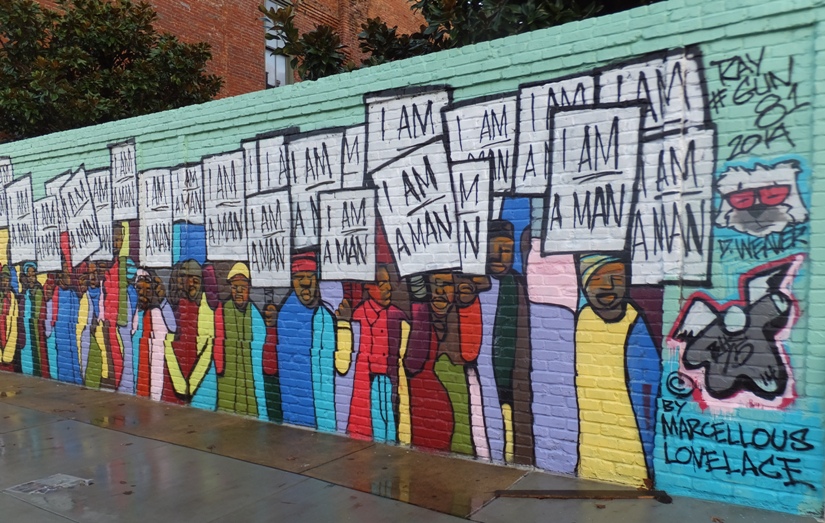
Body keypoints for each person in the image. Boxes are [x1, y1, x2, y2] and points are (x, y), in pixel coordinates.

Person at [575, 254, 660, 484]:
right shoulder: (582, 319)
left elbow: (647, 402)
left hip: (635, 456)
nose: (607, 285)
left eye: (616, 277)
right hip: (590, 448)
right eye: (597, 277)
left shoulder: (634, 324)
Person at [336, 265, 407, 443]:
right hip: (366, 385)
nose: (388, 288)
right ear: (369, 287)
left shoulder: (398, 317)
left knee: (390, 423)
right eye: (382, 284)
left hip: (391, 384)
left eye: (388, 283)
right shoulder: (359, 316)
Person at [276, 252, 336, 431]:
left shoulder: (324, 316)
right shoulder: (286, 315)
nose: (305, 283)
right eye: (299, 278)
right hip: (297, 408)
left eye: (310, 277)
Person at [404, 272, 455, 452]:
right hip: (423, 407)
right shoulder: (423, 317)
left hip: (432, 410)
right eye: (435, 285)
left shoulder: (453, 323)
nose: (440, 291)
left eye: (447, 285)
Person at [214, 262, 265, 417]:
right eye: (235, 288)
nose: (238, 292)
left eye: (242, 288)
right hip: (228, 368)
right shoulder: (223, 310)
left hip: (249, 370)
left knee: (249, 397)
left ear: (248, 288)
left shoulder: (254, 312)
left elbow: (261, 338)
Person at [165, 259, 214, 404]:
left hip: (195, 380)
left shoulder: (206, 310)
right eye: (185, 278)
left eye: (195, 279)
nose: (190, 283)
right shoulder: (176, 306)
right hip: (176, 373)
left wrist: (189, 386)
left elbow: (207, 348)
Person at [0, 265, 19, 372]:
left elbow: (14, 325)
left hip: (7, 331)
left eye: (7, 280)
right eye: (3, 280)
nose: (4, 283)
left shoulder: (12, 298)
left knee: (8, 364)